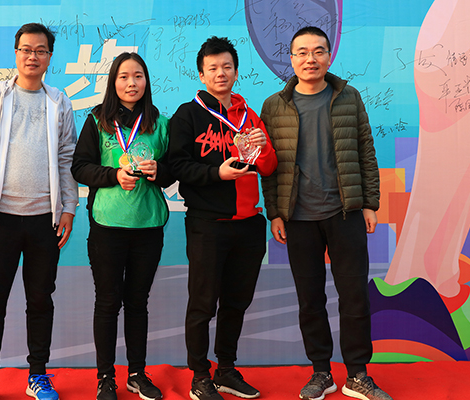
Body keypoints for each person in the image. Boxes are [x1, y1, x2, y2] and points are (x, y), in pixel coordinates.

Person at [260, 26, 392, 400]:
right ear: (291, 59)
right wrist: (275, 213)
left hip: (345, 212)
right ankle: (321, 372)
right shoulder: (274, 106)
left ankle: (357, 374)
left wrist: (370, 203)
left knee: (355, 297)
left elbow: (365, 150)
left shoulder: (348, 97)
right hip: (298, 218)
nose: (310, 59)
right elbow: (269, 166)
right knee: (310, 299)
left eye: (318, 51)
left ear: (329, 56)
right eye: (302, 52)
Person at [0, 23, 78, 400]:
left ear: (49, 56)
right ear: (16, 53)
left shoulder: (59, 101)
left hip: (46, 220)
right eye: (26, 49)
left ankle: (38, 375)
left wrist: (68, 208)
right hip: (0, 219)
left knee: (40, 300)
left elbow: (67, 157)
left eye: (40, 50)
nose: (33, 56)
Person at [168, 36, 277, 400]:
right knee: (202, 304)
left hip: (249, 224)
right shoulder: (188, 115)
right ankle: (200, 376)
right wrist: (217, 173)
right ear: (201, 75)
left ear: (236, 71)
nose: (220, 73)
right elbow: (177, 165)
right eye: (213, 68)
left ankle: (226, 370)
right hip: (208, 225)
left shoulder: (249, 116)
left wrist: (262, 150)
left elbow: (268, 166)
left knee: (236, 302)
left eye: (227, 67)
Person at [71, 52, 173, 400]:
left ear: (147, 81)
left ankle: (137, 374)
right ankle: (105, 377)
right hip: (107, 226)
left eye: (138, 76)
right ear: (113, 82)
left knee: (138, 302)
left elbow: (176, 168)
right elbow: (80, 167)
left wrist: (160, 171)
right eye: (124, 77)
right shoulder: (97, 121)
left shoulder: (160, 123)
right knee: (108, 301)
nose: (132, 83)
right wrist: (113, 175)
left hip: (148, 225)